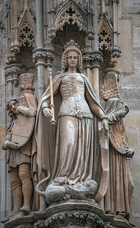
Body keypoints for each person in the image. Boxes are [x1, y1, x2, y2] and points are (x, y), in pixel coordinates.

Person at [35, 40, 109, 205]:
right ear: (65, 60)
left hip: (85, 116)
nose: (73, 60)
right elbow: (47, 97)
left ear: (80, 59)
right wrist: (46, 107)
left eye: (76, 57)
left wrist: (103, 116)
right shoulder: (60, 78)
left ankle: (80, 179)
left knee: (81, 150)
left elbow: (92, 102)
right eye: (70, 57)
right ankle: (64, 176)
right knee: (68, 144)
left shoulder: (84, 78)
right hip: (66, 113)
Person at [2, 73, 37, 219]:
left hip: (24, 146)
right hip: (13, 150)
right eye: (11, 108)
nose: (12, 109)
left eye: (12, 107)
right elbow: (5, 142)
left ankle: (27, 204)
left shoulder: (29, 101)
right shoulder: (13, 124)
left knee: (24, 174)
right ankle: (16, 209)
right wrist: (8, 143)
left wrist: (19, 108)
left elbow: (34, 112)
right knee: (14, 180)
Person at [101, 72, 134, 221]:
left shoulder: (118, 108)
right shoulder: (110, 108)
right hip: (112, 151)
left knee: (129, 184)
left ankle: (121, 210)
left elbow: (123, 109)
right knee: (115, 179)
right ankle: (115, 209)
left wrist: (110, 117)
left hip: (120, 151)